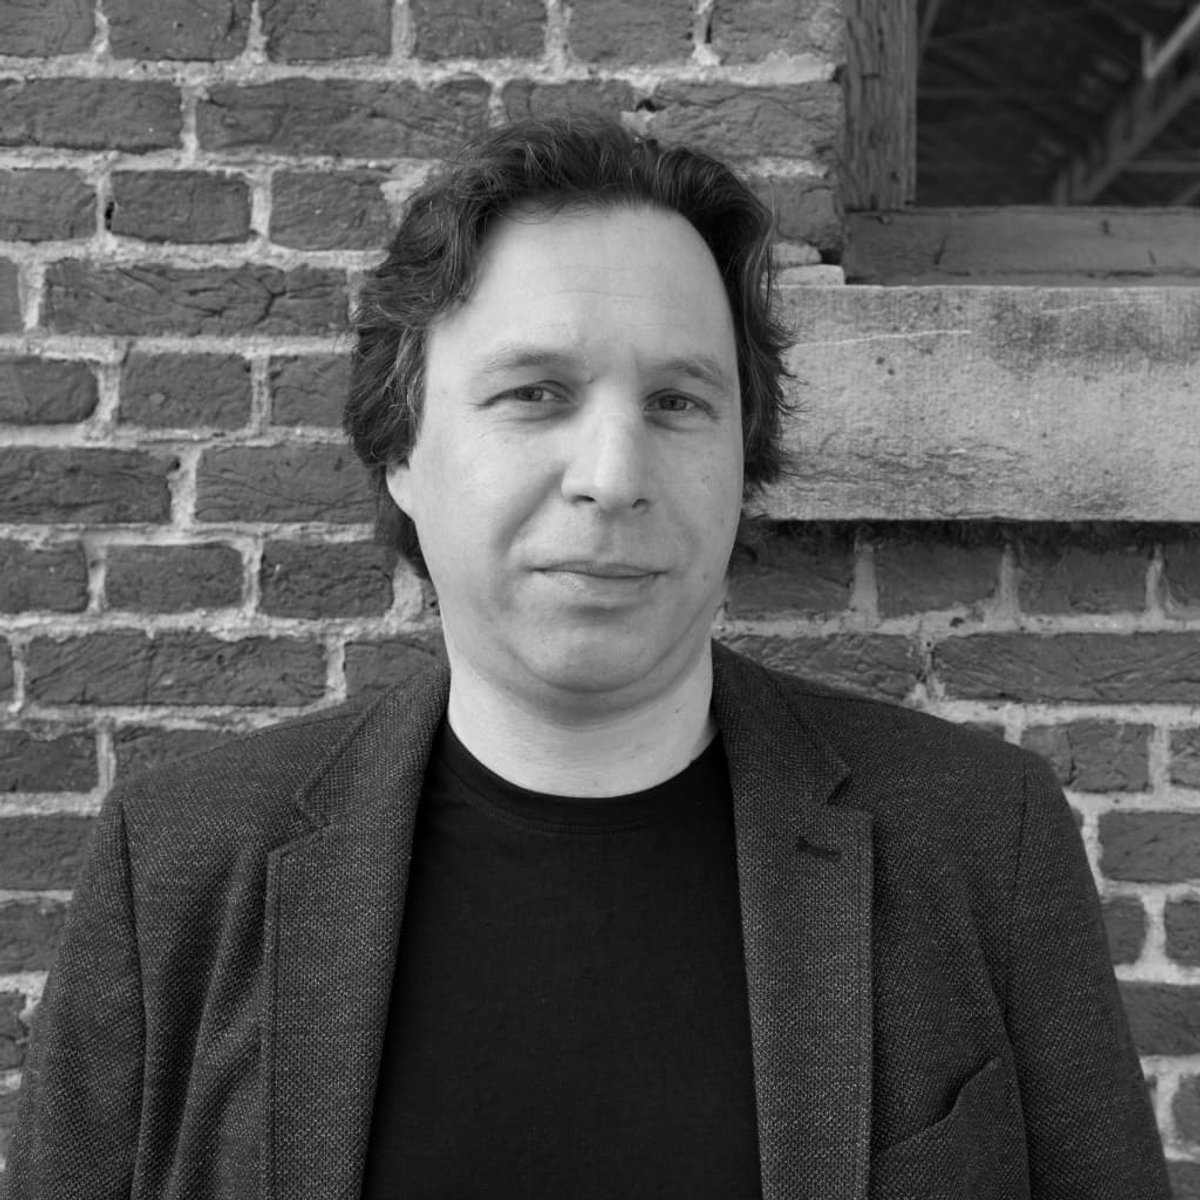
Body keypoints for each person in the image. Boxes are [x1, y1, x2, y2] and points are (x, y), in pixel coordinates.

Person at [6, 117, 1170, 1200]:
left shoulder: (979, 840)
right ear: (402, 449)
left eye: (677, 402)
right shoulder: (180, 869)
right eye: (536, 394)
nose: (613, 476)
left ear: (743, 457)